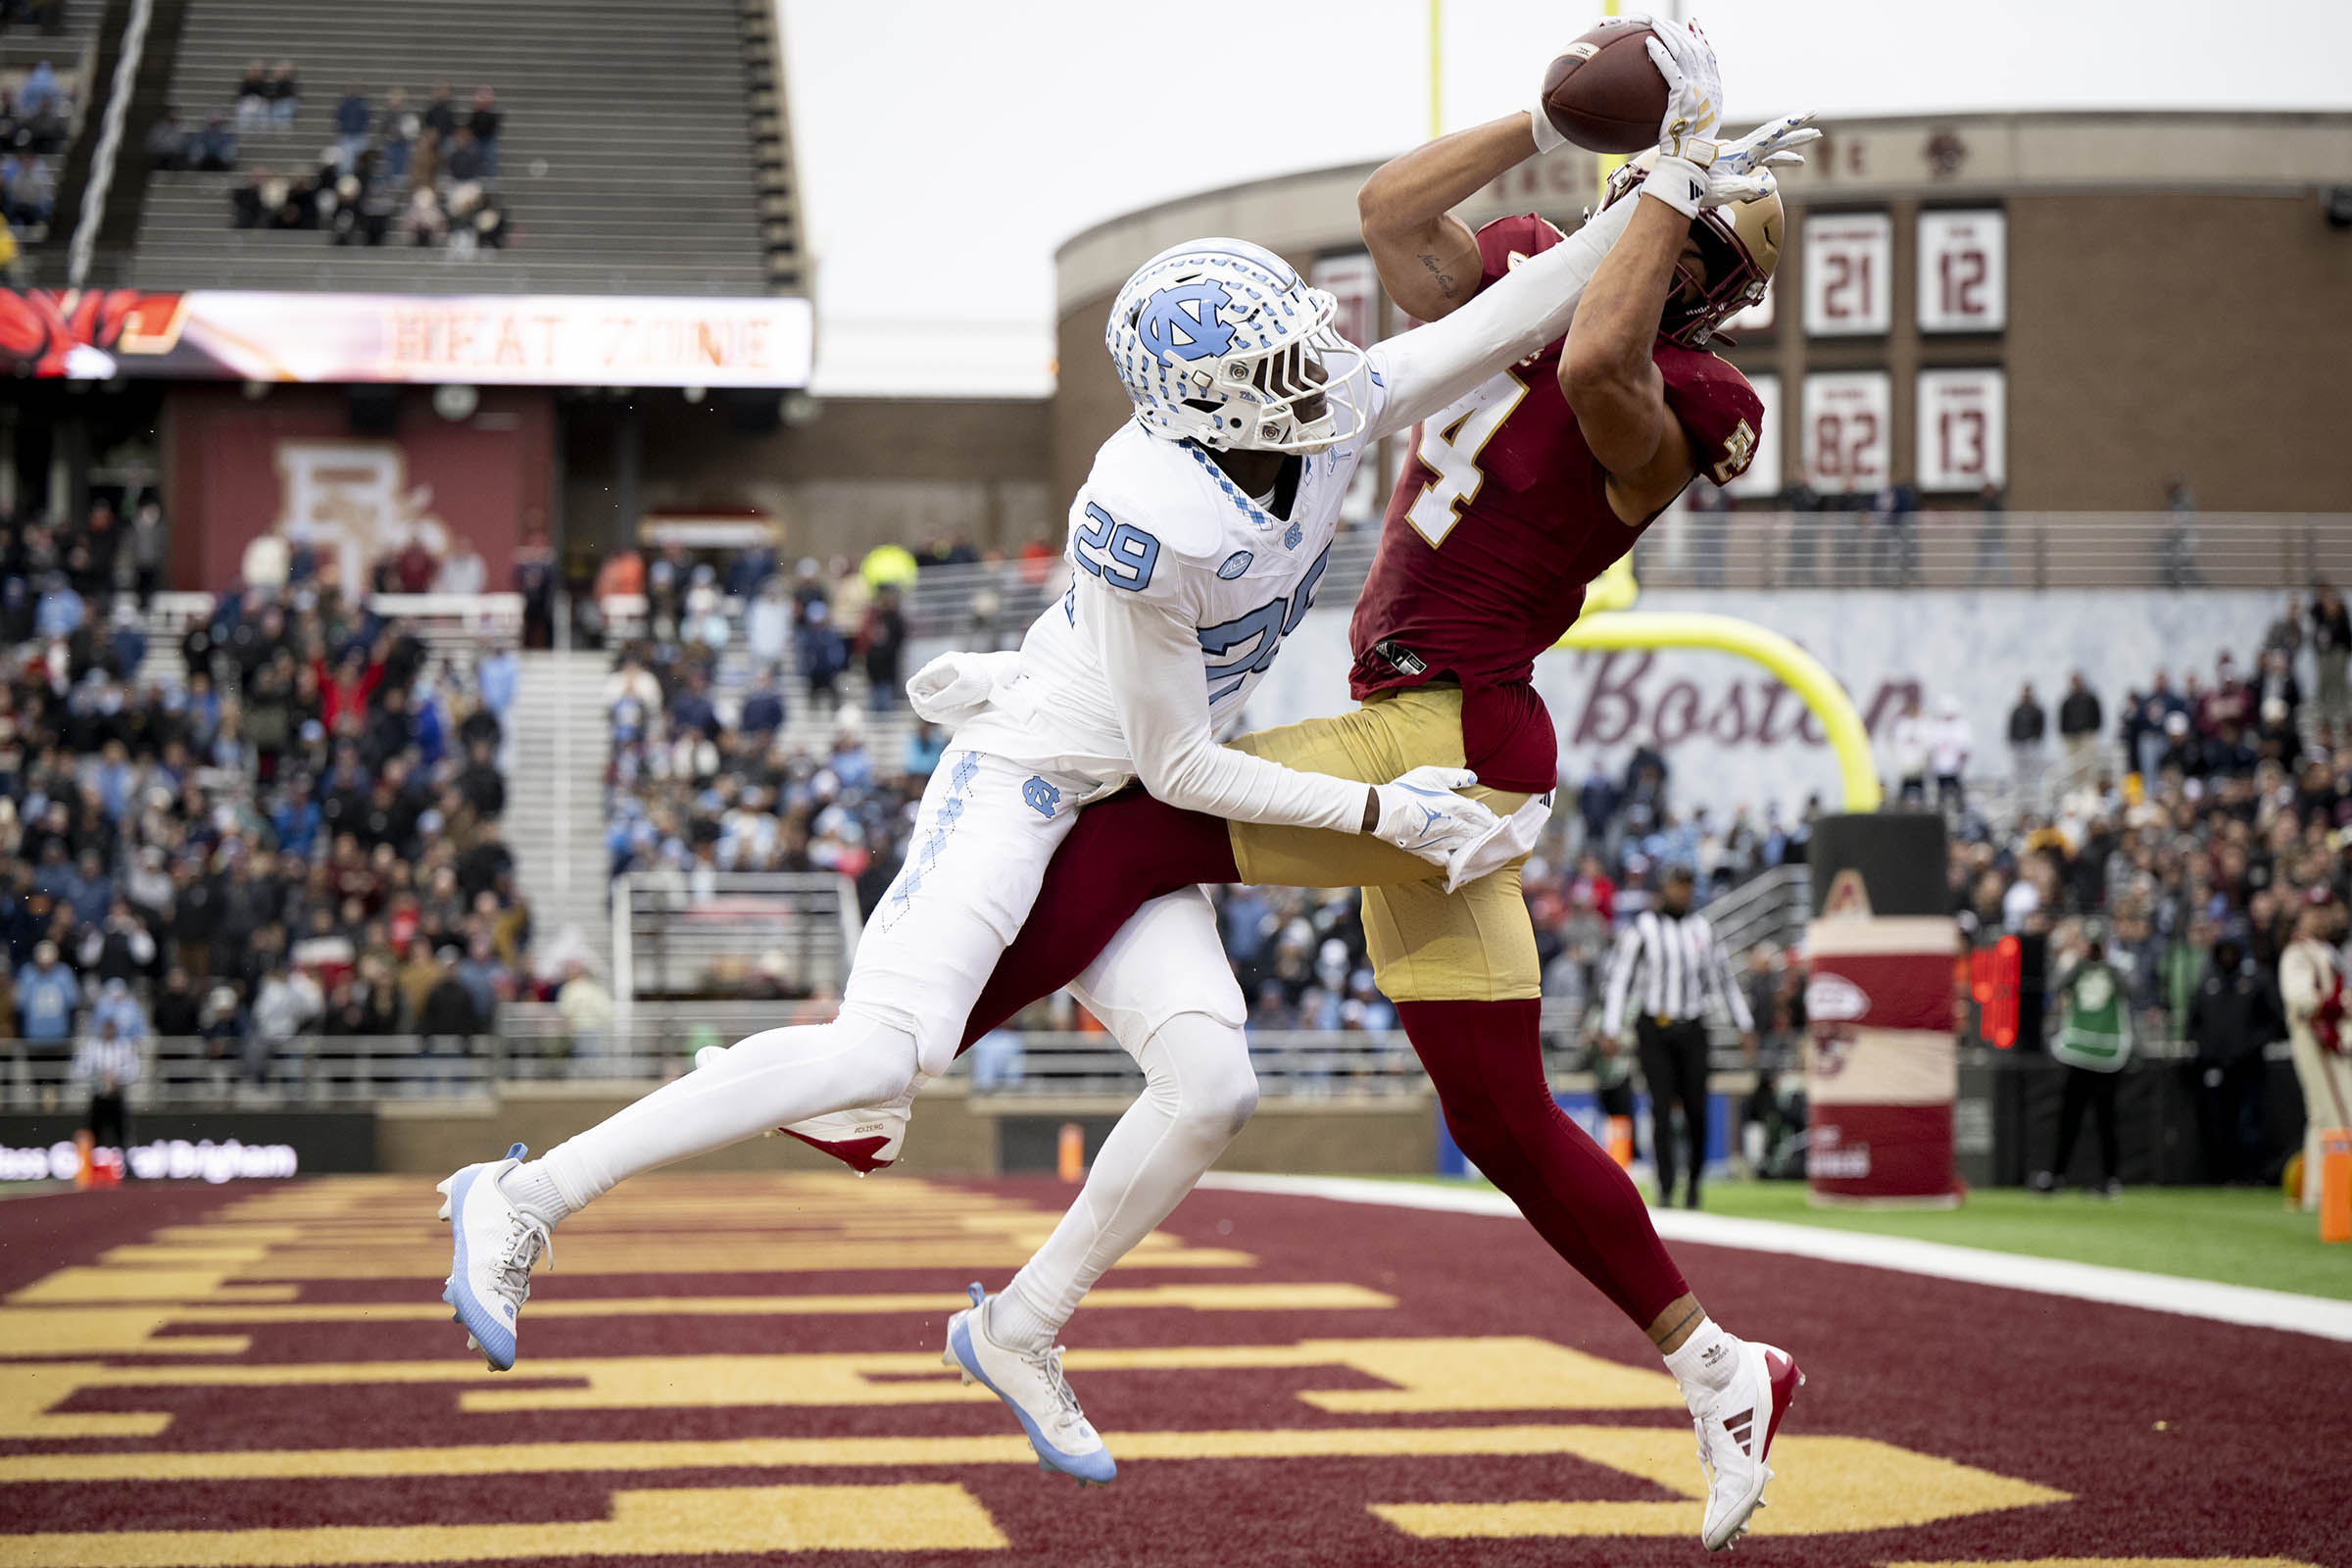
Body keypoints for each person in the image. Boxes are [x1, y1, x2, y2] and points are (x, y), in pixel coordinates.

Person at [434, 61, 1619, 1418]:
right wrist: (1379, 817)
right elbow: (1181, 773)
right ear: (1204, 408)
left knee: (1214, 1083)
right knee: (882, 1050)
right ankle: (522, 1195)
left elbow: (1503, 318)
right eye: (1278, 368)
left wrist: (1654, 201)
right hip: (1036, 783)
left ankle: (1024, 1327)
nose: (1320, 377)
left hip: (1122, 799)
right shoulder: (1149, 509)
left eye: (1305, 345)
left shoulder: (1315, 408)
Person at [763, 38, 1814, 1547]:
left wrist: (1670, 182)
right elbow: (1394, 217)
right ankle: (1721, 1368)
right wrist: (1558, 129)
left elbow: (1597, 365)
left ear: (1697, 282)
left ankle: (879, 1068)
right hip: (1430, 730)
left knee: (1134, 818)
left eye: (1672, 236)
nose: (1632, 233)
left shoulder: (1689, 393)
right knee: (1504, 1118)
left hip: (1452, 740)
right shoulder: (1532, 262)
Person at [1603, 865, 1756, 1208]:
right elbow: (1619, 980)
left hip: (1692, 1026)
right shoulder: (1642, 928)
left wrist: (1743, 1024)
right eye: (1676, 885)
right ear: (1664, 888)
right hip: (1654, 1027)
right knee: (1659, 1108)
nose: (1682, 893)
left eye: (1687, 886)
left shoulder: (1702, 929)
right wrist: (1610, 1028)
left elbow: (1724, 980)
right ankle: (1665, 1185)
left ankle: (1694, 1185)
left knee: (1697, 1110)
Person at [2033, 924, 2132, 1197]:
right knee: (2068, 1119)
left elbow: (2133, 989)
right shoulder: (2076, 969)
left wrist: (2109, 963)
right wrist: (2076, 960)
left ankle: (2110, 1178)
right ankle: (2057, 1175)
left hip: (2107, 1055)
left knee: (2106, 1120)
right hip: (2078, 1053)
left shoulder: (2116, 970)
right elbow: (2056, 986)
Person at [2187, 930, 2281, 1186]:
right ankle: (2224, 1175)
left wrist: (2252, 1045)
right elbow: (2193, 1024)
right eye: (2223, 951)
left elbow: (2274, 1020)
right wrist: (2207, 1050)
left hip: (2250, 1066)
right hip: (2217, 1067)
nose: (2228, 957)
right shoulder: (2209, 983)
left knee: (2250, 1122)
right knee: (2221, 1124)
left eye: (2232, 951)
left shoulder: (2256, 980)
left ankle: (2254, 1175)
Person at [2278, 889, 2352, 1211]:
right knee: (2338, 1113)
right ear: (2303, 914)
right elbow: (2301, 998)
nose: (2321, 917)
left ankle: (2318, 1191)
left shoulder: (2326, 950)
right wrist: (2338, 1003)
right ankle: (2330, 1193)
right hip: (2314, 1034)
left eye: (2325, 910)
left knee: (2322, 1115)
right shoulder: (2298, 951)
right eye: (2315, 911)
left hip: (2330, 1035)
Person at [73, 1015, 140, 1177]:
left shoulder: (123, 1046)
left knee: (123, 1133)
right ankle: (89, 1169)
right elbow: (80, 1070)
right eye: (107, 1028)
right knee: (94, 1133)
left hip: (116, 1096)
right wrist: (99, 1076)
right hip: (99, 1096)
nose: (109, 1031)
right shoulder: (92, 1047)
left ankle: (127, 1168)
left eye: (112, 1028)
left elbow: (134, 1070)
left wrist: (118, 1077)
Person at [2006, 682, 2046, 816]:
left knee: (2033, 775)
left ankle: (2034, 799)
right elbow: (2011, 727)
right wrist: (2013, 740)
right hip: (2019, 745)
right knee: (2018, 776)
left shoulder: (2037, 710)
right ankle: (2018, 800)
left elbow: (2041, 727)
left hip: (2031, 745)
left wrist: (2035, 739)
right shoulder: (2016, 710)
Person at [2056, 671, 2102, 785]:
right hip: (2072, 738)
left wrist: (2092, 730)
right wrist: (2066, 734)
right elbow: (2062, 719)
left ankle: (2088, 789)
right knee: (2073, 767)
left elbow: (2097, 716)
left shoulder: (2090, 698)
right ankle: (2075, 790)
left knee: (2089, 765)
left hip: (2087, 736)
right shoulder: (2067, 700)